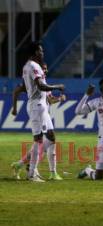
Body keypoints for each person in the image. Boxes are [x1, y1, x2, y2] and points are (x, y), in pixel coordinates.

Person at [11, 63, 66, 180]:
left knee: (47, 141)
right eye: (43, 69)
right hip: (37, 109)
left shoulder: (44, 82)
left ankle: (21, 165)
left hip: (44, 112)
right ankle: (37, 171)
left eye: (46, 69)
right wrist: (15, 108)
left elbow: (50, 100)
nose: (45, 71)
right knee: (44, 140)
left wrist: (60, 99)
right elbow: (16, 90)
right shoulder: (34, 81)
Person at [21, 41, 65, 182]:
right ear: (35, 52)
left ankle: (52, 173)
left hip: (41, 106)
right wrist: (57, 86)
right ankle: (32, 173)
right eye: (40, 51)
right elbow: (40, 86)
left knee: (51, 137)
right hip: (37, 106)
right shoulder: (33, 66)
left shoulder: (27, 66)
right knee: (38, 140)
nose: (42, 53)